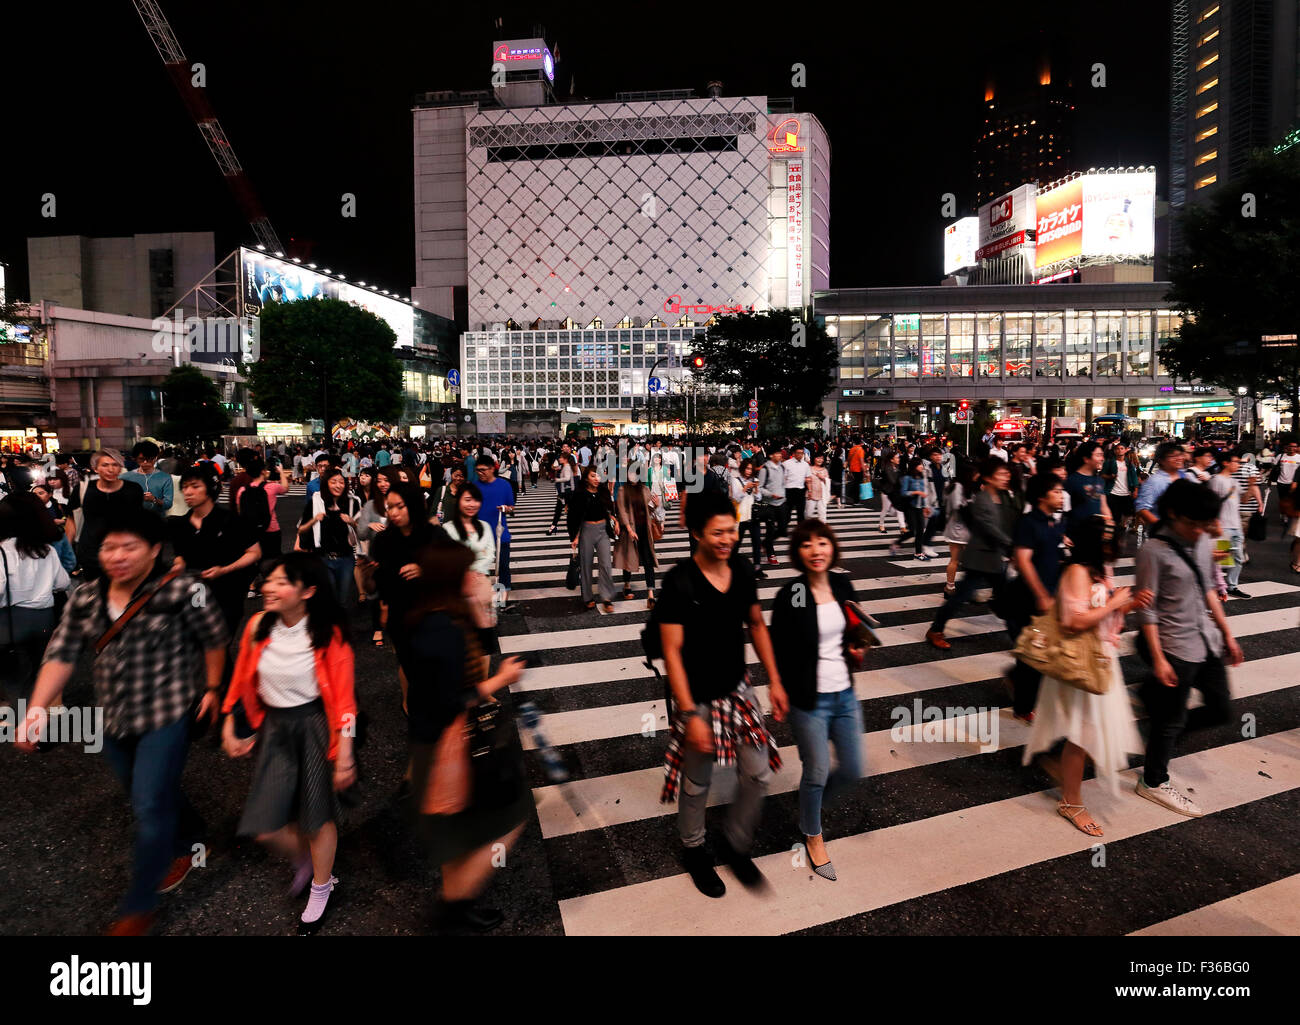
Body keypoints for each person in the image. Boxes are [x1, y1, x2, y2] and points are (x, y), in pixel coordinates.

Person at [19, 510, 228, 935]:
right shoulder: (86, 596)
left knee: (149, 806)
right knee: (147, 790)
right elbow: (61, 653)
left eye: (129, 547)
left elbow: (214, 638)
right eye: (109, 546)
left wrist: (211, 687)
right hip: (112, 718)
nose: (117, 556)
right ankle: (192, 833)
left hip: (165, 716)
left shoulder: (187, 590)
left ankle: (138, 908)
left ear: (154, 550)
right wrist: (37, 708)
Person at [657, 489, 787, 898]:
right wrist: (690, 714)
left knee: (758, 772)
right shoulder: (679, 583)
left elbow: (757, 625)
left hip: (738, 688)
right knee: (697, 781)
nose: (727, 539)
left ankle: (736, 844)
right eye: (717, 532)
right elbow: (672, 652)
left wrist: (776, 680)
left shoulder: (744, 570)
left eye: (731, 530)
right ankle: (693, 848)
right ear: (696, 533)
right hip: (696, 696)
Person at [222, 553, 356, 934]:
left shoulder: (329, 633)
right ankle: (309, 859)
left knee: (317, 815)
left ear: (308, 591)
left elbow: (345, 701)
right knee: (265, 825)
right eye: (269, 580)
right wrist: (230, 722)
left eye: (281, 582)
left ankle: (322, 884)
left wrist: (345, 753)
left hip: (315, 724)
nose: (268, 588)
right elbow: (242, 677)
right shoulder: (257, 626)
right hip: (276, 727)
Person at [404, 543, 530, 931]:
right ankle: (453, 907)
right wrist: (501, 679)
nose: (474, 576)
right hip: (450, 744)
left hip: (428, 740)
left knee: (453, 835)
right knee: (513, 817)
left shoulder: (424, 617)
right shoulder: (444, 630)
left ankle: (459, 903)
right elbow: (449, 700)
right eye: (467, 571)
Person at [1022, 518, 1150, 836]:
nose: (1114, 545)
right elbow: (1072, 622)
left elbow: (1101, 612)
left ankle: (1063, 770)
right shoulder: (1077, 571)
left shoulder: (1097, 569)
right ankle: (1071, 802)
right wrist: (1117, 603)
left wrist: (1129, 605)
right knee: (1084, 735)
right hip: (1081, 663)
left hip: (1100, 658)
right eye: (1108, 540)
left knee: (1093, 733)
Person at [1134, 480, 1242, 816]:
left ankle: (1156, 719)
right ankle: (1153, 781)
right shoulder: (1153, 551)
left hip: (1205, 638)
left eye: (1204, 525)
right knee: (1171, 719)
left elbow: (1210, 586)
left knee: (1220, 708)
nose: (1200, 531)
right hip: (1174, 645)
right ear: (1174, 514)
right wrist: (1158, 658)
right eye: (1194, 524)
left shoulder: (1203, 538)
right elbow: (1147, 610)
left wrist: (1227, 633)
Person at [769, 520, 865, 882]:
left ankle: (811, 805)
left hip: (845, 692)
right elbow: (777, 644)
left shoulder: (842, 584)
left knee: (854, 768)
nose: (816, 550)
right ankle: (813, 833)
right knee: (818, 771)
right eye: (807, 545)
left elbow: (854, 627)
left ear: (832, 547)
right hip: (808, 698)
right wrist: (776, 685)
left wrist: (858, 643)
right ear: (799, 552)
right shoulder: (792, 593)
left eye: (822, 542)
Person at [926, 459, 1018, 650]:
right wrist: (1012, 546)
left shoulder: (1003, 497)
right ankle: (935, 629)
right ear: (988, 478)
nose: (1005, 477)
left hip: (993, 557)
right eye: (1001, 474)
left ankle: (1019, 637)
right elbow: (990, 528)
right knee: (960, 598)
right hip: (980, 559)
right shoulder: (982, 499)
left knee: (1008, 600)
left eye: (1006, 473)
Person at [1004, 473, 1069, 723]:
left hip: (1049, 596)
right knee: (1033, 652)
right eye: (1055, 491)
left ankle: (1018, 682)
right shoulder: (1029, 522)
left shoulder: (1053, 522)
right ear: (1042, 496)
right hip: (1027, 597)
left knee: (1038, 651)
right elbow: (1023, 560)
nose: (1061, 495)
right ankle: (1023, 707)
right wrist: (1041, 594)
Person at [171, 465, 262, 639]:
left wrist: (225, 569)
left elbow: (254, 553)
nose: (188, 492)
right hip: (195, 593)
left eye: (195, 486)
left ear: (210, 488)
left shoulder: (232, 520)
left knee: (219, 642)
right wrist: (177, 567)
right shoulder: (180, 525)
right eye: (185, 487)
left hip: (227, 593)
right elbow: (180, 556)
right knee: (197, 644)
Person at [0, 493, 71, 700]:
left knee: (14, 675)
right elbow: (62, 583)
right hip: (44, 618)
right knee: (43, 666)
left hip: (10, 621)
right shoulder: (46, 550)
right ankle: (49, 707)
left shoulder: (3, 551)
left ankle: (17, 717)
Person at [71, 449, 144, 580]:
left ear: (121, 467)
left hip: (124, 553)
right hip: (90, 553)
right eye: (105, 465)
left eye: (115, 465)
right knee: (94, 594)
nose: (111, 469)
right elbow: (71, 521)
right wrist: (69, 551)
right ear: (95, 468)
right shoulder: (82, 489)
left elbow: (139, 521)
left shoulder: (133, 489)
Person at [297, 469, 362, 607]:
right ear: (326, 484)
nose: (338, 485)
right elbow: (301, 529)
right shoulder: (315, 503)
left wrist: (351, 522)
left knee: (342, 598)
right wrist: (314, 520)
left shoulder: (352, 503)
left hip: (346, 558)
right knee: (328, 596)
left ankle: (338, 624)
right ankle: (329, 624)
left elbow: (361, 532)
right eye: (333, 482)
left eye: (341, 482)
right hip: (323, 558)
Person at [1209, 450, 1259, 599]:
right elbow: (1210, 503)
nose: (1238, 465)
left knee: (1237, 558)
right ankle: (1218, 587)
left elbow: (1243, 500)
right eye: (1236, 462)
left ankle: (1232, 586)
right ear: (1226, 463)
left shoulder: (1234, 480)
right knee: (1221, 559)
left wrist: (1251, 485)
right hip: (1222, 526)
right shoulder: (1216, 480)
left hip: (1236, 526)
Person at [568, 465, 617, 612]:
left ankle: (607, 597)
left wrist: (615, 519)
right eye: (593, 476)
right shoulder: (579, 493)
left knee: (606, 564)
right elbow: (573, 516)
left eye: (598, 476)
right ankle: (587, 597)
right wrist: (575, 536)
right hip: (586, 531)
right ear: (586, 478)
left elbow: (609, 508)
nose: (597, 479)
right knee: (586, 565)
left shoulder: (603, 491)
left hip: (602, 530)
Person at [614, 462, 659, 606]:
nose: (633, 476)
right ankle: (627, 585)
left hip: (644, 530)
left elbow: (649, 510)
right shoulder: (622, 490)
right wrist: (629, 529)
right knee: (628, 559)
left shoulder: (645, 489)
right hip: (629, 530)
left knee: (648, 560)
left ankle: (650, 594)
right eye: (631, 473)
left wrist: (655, 504)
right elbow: (622, 511)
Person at [474, 455, 515, 607]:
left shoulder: (504, 485)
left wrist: (506, 509)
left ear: (492, 469)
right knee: (480, 568)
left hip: (499, 534)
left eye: (483, 470)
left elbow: (512, 507)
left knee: (503, 567)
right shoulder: (474, 486)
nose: (480, 473)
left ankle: (502, 600)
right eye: (477, 470)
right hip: (478, 535)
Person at [1135, 442, 1190, 532]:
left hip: (1184, 532)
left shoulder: (1184, 475)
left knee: (1218, 545)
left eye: (1180, 455)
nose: (1179, 458)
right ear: (1161, 460)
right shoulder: (1154, 481)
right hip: (1165, 536)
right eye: (1173, 456)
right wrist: (1164, 528)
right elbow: (1142, 508)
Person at [940, 461, 977, 595]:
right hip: (958, 528)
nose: (976, 475)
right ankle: (951, 587)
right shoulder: (958, 487)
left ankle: (953, 587)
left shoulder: (960, 486)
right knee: (956, 559)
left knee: (960, 560)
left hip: (961, 528)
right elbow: (957, 507)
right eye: (974, 473)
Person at [892, 457, 932, 560]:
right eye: (920, 465)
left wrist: (926, 506)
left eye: (922, 464)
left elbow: (925, 493)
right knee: (913, 530)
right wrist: (916, 492)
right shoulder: (907, 478)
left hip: (919, 507)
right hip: (910, 507)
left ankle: (918, 553)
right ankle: (897, 542)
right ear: (914, 466)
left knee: (920, 530)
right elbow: (903, 493)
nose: (922, 467)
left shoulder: (922, 477)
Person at [122, 441, 174, 519]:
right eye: (141, 459)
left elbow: (168, 504)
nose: (145, 462)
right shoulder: (125, 477)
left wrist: (154, 499)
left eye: (149, 459)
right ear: (135, 458)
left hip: (157, 520)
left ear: (155, 458)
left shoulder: (165, 478)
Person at [756, 448, 786, 566]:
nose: (779, 455)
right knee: (770, 529)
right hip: (769, 504)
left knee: (782, 529)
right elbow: (760, 487)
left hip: (782, 502)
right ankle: (770, 554)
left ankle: (765, 543)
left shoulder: (782, 467)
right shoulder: (765, 469)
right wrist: (771, 494)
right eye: (777, 453)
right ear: (770, 455)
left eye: (780, 453)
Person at [782, 445, 810, 533]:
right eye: (798, 453)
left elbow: (808, 478)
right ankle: (782, 529)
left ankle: (800, 531)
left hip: (801, 491)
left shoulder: (806, 465)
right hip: (789, 490)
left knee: (801, 512)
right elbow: (783, 478)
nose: (800, 455)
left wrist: (810, 490)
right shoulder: (786, 464)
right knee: (787, 512)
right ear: (793, 454)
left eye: (802, 453)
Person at [804, 452, 830, 522]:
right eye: (818, 458)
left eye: (822, 458)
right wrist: (809, 491)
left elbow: (828, 482)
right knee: (808, 514)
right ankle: (807, 529)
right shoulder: (809, 468)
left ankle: (822, 531)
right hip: (811, 494)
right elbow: (806, 480)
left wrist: (823, 478)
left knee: (822, 515)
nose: (820, 460)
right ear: (814, 459)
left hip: (822, 495)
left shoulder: (825, 470)